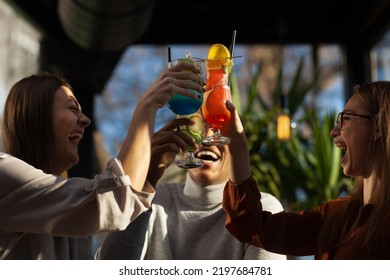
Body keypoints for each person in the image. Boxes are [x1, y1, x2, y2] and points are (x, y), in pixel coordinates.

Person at [0, 63, 203, 260]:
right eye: (72, 108)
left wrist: (148, 177)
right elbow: (111, 201)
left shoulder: (69, 220)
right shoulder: (4, 173)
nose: (85, 120)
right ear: (36, 115)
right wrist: (147, 107)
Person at [222, 81, 390, 260]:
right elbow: (252, 227)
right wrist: (238, 145)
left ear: (379, 126)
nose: (334, 131)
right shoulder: (334, 216)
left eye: (346, 119)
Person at [97, 113, 286, 260]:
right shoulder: (151, 197)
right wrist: (146, 183)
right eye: (196, 128)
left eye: (219, 128)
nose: (207, 138)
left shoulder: (263, 208)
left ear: (237, 146)